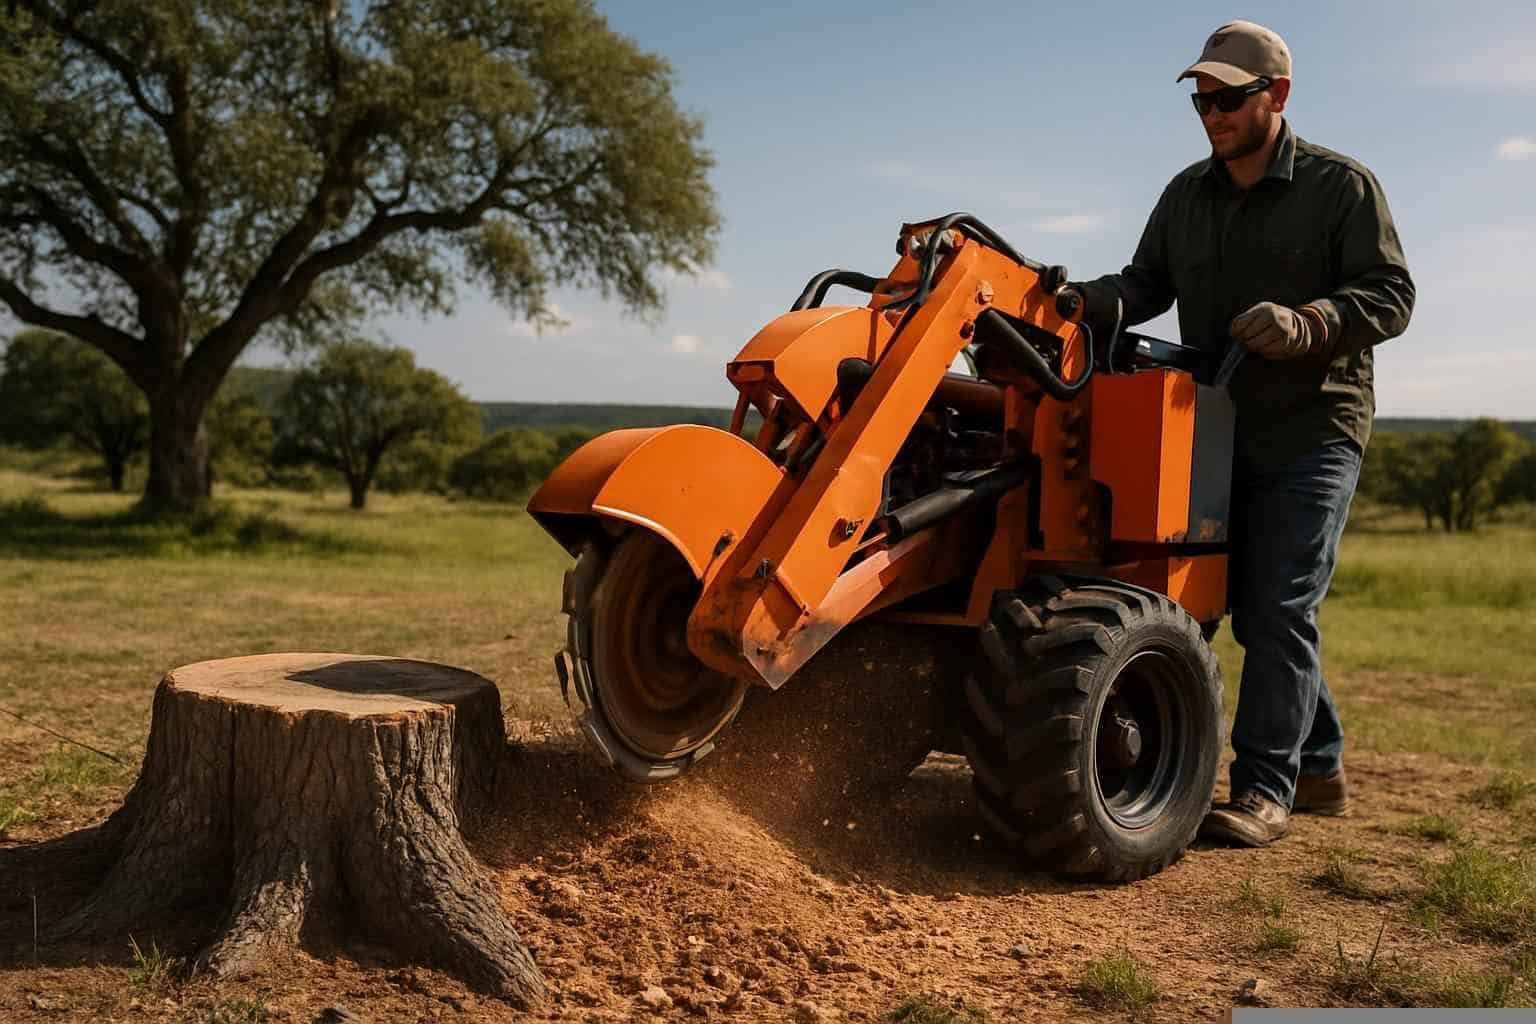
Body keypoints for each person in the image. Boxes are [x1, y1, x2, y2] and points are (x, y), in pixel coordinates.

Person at [1060, 20, 1415, 846]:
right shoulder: (1187, 194)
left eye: (1229, 98)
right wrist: (1073, 301)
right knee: (1241, 609)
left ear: (1277, 97)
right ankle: (1319, 763)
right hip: (1211, 429)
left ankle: (1264, 790)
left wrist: (1313, 320)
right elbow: (1144, 284)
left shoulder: (1341, 187)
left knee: (1279, 604)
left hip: (1314, 426)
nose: (1212, 113)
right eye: (1201, 99)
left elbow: (1391, 295)